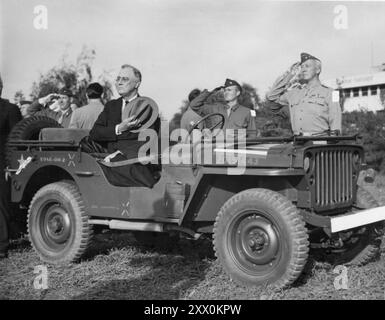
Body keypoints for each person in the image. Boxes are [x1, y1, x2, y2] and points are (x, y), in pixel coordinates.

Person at [89, 64, 160, 187]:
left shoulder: (147, 107)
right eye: (118, 79)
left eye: (125, 79)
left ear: (137, 84)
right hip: (108, 164)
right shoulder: (111, 106)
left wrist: (121, 153)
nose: (119, 83)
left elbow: (149, 140)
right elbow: (95, 133)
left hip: (133, 161)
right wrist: (119, 128)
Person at [266, 52, 342, 136]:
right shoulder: (295, 92)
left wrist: (332, 142)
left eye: (307, 66)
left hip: (319, 142)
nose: (303, 70)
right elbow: (272, 97)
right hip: (298, 142)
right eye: (302, 67)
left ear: (317, 70)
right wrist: (289, 74)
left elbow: (335, 123)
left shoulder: (331, 93)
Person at [0, 74, 22, 259]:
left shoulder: (10, 109)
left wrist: (10, 166)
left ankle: (2, 246)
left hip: (2, 164)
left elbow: (16, 140)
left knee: (2, 205)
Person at [189, 79, 257, 139]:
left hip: (237, 151)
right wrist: (209, 91)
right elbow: (194, 105)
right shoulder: (214, 108)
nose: (226, 92)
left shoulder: (247, 112)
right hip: (216, 151)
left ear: (237, 93)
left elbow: (252, 136)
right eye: (225, 90)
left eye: (229, 90)